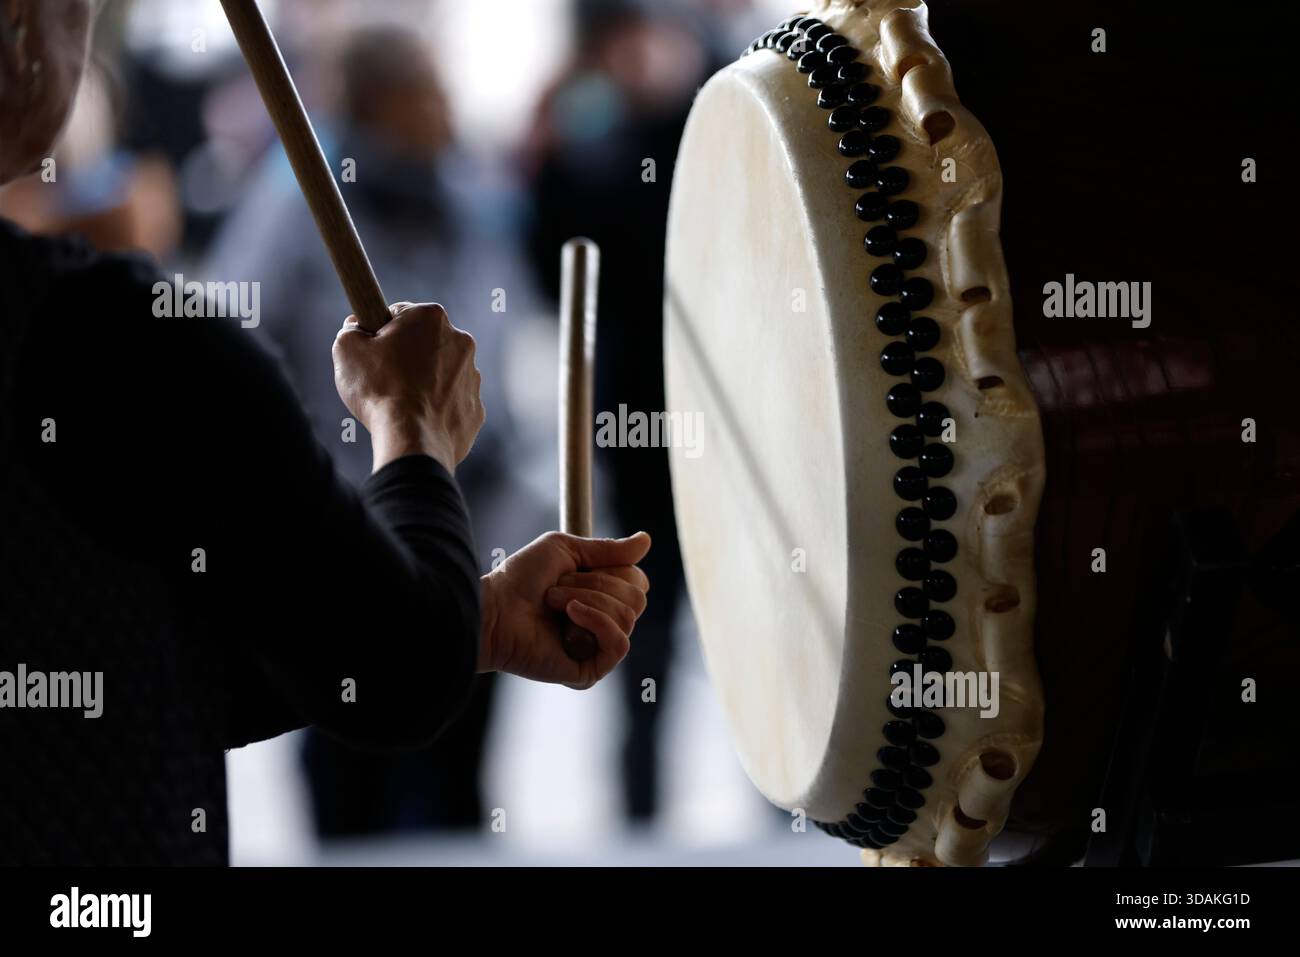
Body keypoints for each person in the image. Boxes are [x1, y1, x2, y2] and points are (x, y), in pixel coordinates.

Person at [0, 0, 650, 865]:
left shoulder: (463, 195)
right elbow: (395, 677)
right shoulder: (122, 343)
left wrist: (476, 617)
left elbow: (131, 676)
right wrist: (410, 423)